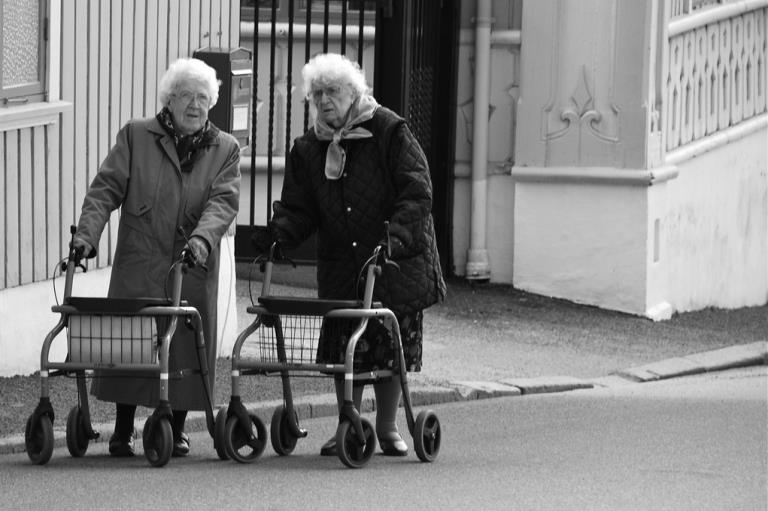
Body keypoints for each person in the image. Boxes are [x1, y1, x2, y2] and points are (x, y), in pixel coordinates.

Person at [253, 53, 446, 456]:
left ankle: (389, 426)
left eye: (333, 92)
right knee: (347, 346)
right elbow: (298, 207)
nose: (324, 101)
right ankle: (348, 423)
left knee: (390, 347)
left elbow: (417, 190)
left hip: (395, 259)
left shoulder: (389, 130)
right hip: (343, 262)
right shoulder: (308, 148)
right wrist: (282, 235)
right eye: (317, 94)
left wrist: (396, 237)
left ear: (353, 92)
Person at [72, 58, 241, 457]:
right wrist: (85, 236)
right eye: (185, 96)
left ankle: (176, 427)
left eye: (203, 97)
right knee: (132, 343)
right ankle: (122, 428)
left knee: (185, 342)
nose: (195, 105)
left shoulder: (225, 149)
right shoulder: (136, 135)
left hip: (190, 262)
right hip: (142, 258)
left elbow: (222, 203)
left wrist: (201, 242)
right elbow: (105, 188)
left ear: (212, 102)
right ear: (169, 100)